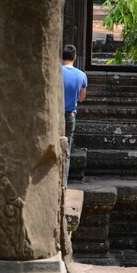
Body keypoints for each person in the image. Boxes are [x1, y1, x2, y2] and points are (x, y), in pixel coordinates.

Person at [61, 45, 87, 186]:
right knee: (66, 151)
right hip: (70, 114)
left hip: (56, 114)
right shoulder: (81, 75)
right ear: (75, 57)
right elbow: (82, 98)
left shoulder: (55, 72)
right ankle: (63, 184)